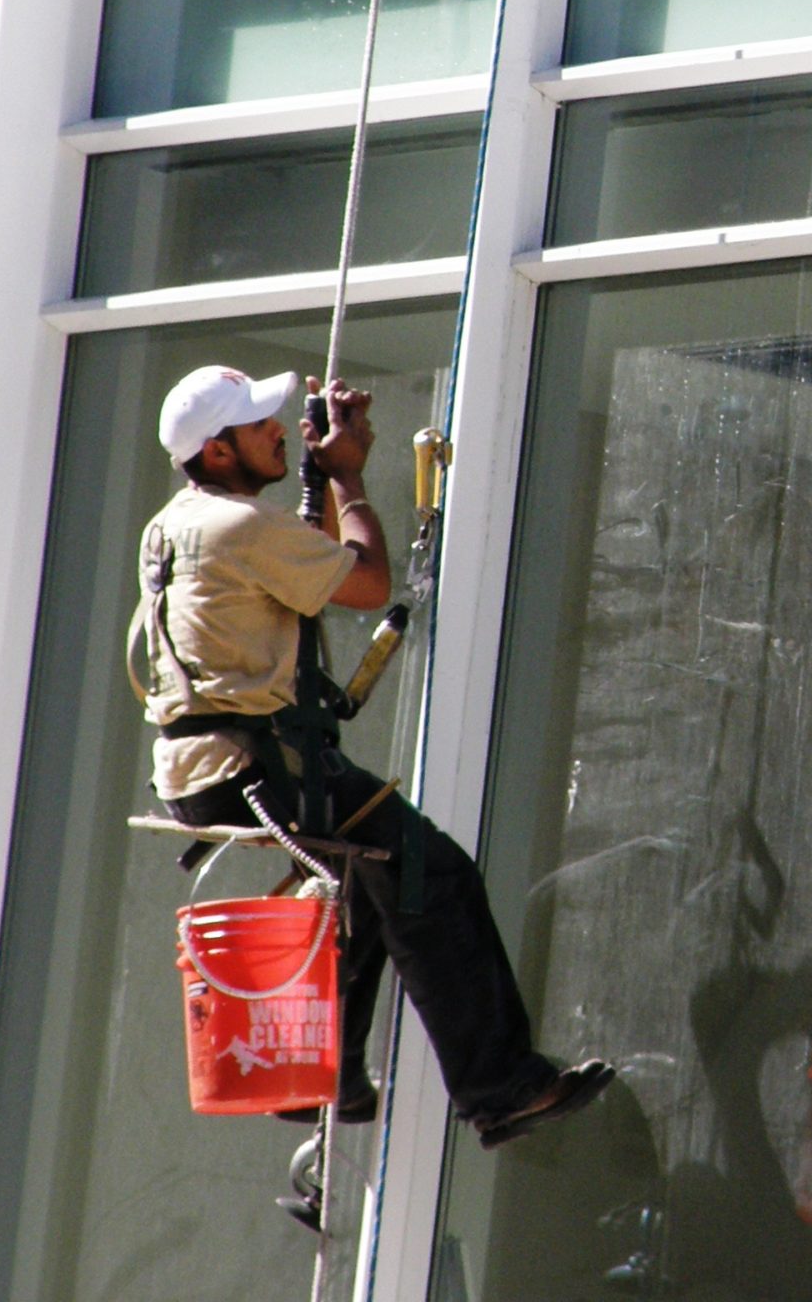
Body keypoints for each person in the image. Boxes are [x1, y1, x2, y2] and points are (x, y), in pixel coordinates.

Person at [134, 363, 610, 1148]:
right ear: (218, 453)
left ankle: (325, 1078)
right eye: (259, 426)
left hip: (211, 768)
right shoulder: (240, 528)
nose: (278, 430)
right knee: (433, 874)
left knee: (372, 880)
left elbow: (289, 570)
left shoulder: (174, 525)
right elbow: (365, 581)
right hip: (262, 770)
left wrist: (318, 474)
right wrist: (348, 482)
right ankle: (501, 1088)